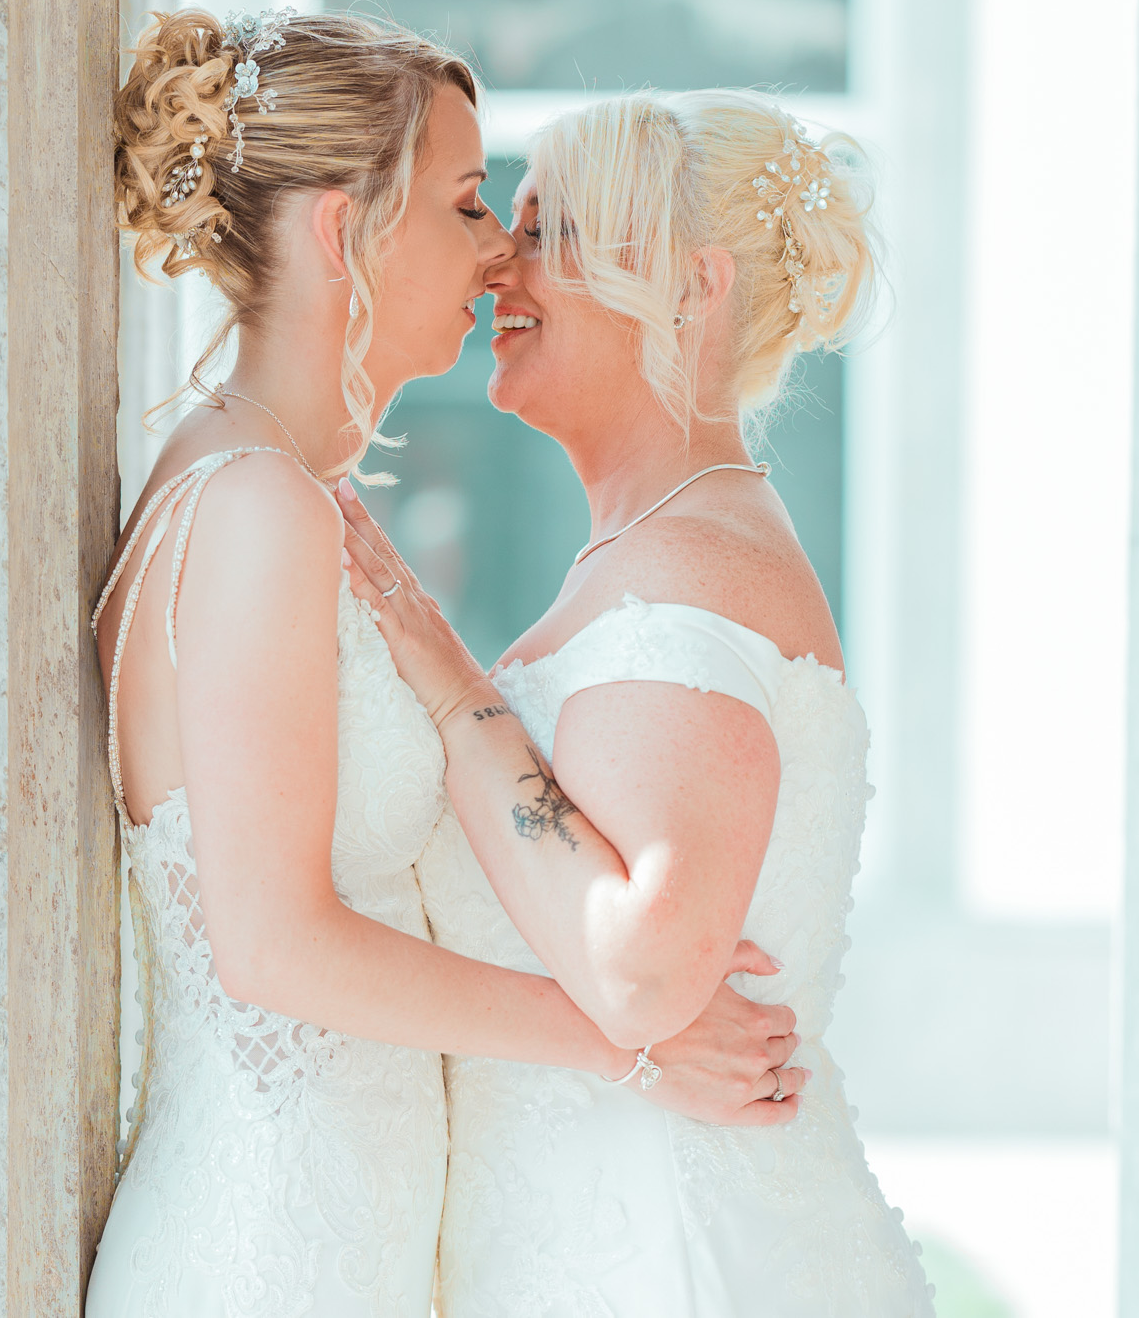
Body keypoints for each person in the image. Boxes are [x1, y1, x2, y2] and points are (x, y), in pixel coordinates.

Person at [85, 13, 804, 1318]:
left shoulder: (278, 487)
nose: (497, 252)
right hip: (273, 1241)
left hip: (342, 1225)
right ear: (338, 225)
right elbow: (271, 943)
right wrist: (630, 1042)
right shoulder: (255, 503)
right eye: (470, 204)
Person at [339, 89, 936, 1315]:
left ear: (690, 291)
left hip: (668, 1261)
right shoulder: (661, 547)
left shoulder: (688, 579)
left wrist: (448, 685)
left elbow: (646, 977)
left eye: (554, 233)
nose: (503, 259)